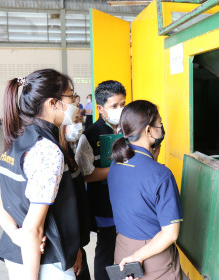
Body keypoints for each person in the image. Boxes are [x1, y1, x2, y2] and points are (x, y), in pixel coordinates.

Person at [0, 69, 80, 279]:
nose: (75, 103)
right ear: (53, 103)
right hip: (45, 264)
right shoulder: (47, 151)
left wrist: (15, 235)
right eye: (71, 96)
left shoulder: (18, 140)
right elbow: (33, 230)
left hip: (19, 257)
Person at [107, 100, 183, 279]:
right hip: (152, 256)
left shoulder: (116, 163)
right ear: (148, 130)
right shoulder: (161, 174)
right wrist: (137, 257)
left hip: (122, 249)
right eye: (160, 123)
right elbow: (170, 234)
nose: (162, 127)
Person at [75, 80, 126, 280]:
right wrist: (118, 169)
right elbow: (85, 174)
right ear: (100, 109)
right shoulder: (90, 136)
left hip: (127, 201)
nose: (120, 110)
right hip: (104, 204)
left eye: (123, 104)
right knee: (106, 246)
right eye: (114, 106)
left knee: (126, 244)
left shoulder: (128, 130)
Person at [59, 124, 91, 280]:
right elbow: (62, 209)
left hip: (78, 242)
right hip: (71, 247)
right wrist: (74, 248)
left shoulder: (68, 151)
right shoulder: (56, 155)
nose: (77, 125)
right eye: (72, 121)